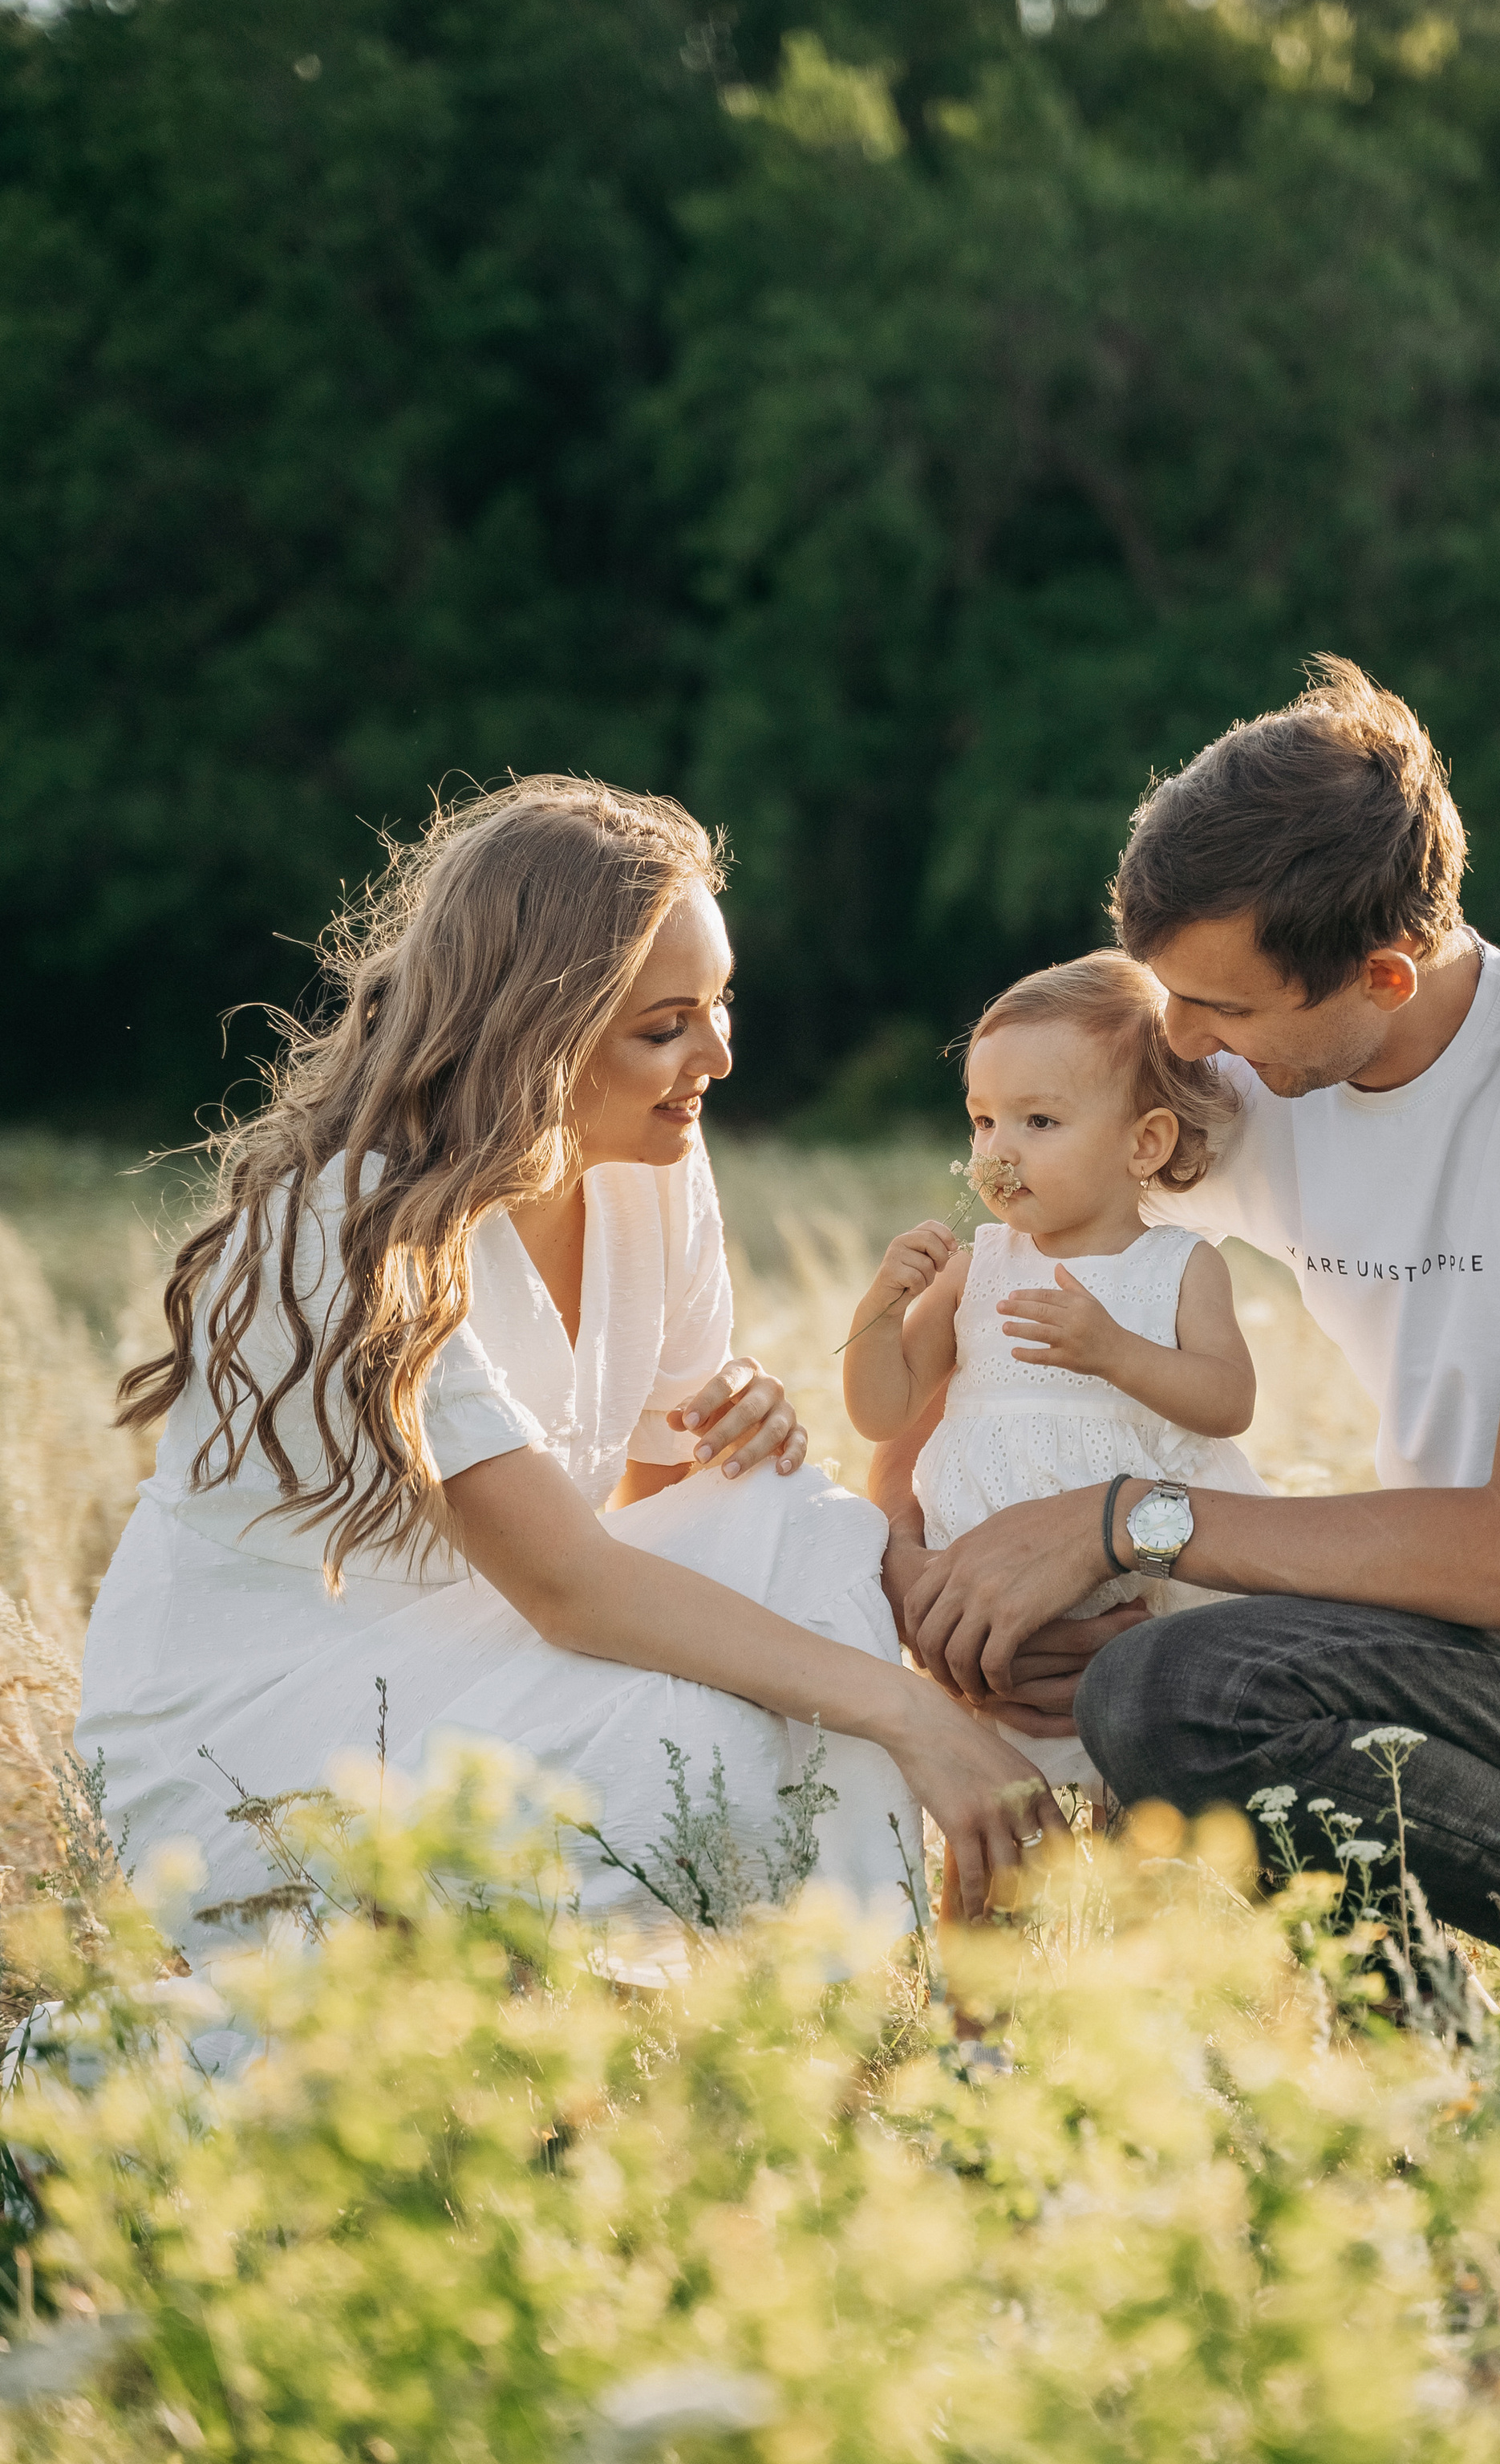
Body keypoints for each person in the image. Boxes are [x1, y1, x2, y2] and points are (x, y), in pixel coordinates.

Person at [882, 659, 1500, 1967]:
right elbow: (1018, 1238)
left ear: (1385, 978)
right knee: (1132, 1694)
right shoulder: (1239, 1077)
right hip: (1455, 1654)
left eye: (1223, 1006)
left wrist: (1122, 1528)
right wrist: (948, 1576)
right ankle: (1380, 2074)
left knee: (1178, 1689)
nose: (1190, 1042)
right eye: (1173, 997)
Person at [79, 775, 1061, 1955]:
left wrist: (732, 1446)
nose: (721, 1055)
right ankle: (133, 2054)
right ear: (537, 1030)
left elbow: (663, 1498)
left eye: (720, 1003)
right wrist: (914, 1709)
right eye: (666, 1026)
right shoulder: (355, 1228)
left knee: (796, 1517)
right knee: (730, 1747)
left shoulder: (654, 1168)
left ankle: (905, 2002)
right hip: (274, 1723)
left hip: (482, 1660)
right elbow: (573, 1584)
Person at [841, 952, 1267, 1796]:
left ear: (1143, 1142)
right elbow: (883, 1412)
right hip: (992, 1582)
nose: (999, 1150)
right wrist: (879, 1314)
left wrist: (1115, 1352)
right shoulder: (978, 1266)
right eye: (983, 1122)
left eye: (1038, 1122)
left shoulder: (1178, 1266)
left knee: (1151, 1769)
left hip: (1146, 1582)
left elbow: (1229, 1403)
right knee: (1000, 1786)